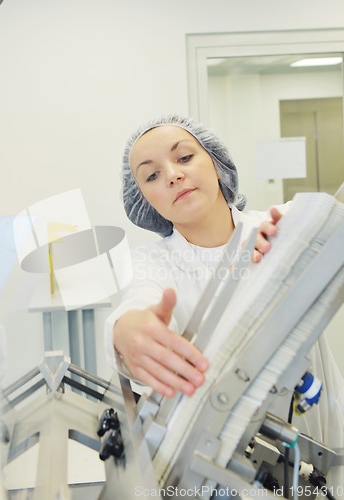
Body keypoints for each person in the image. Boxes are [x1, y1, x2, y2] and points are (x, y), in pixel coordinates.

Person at [104, 114, 283, 397]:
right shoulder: (152, 262)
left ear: (217, 165)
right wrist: (126, 332)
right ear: (146, 202)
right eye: (152, 175)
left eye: (184, 157)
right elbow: (139, 301)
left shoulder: (279, 226)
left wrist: (291, 238)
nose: (173, 175)